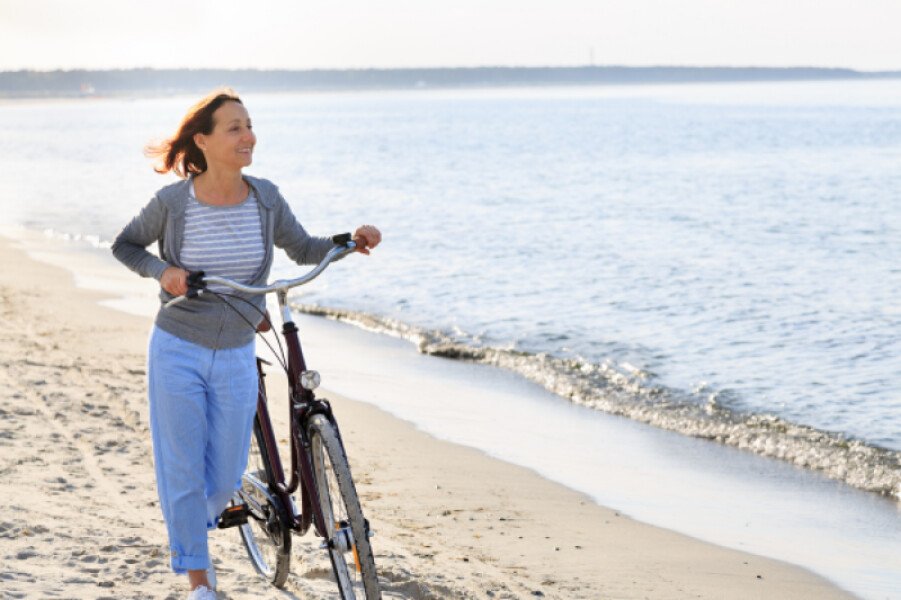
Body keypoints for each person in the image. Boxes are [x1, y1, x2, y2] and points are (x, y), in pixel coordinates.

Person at [111, 89, 381, 600]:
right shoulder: (173, 203)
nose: (247, 136)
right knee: (183, 465)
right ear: (204, 141)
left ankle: (200, 527)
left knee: (227, 470)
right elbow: (125, 245)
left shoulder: (266, 198)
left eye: (249, 125)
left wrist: (349, 241)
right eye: (234, 127)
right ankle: (199, 581)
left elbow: (303, 250)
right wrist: (163, 272)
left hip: (236, 348)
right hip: (178, 346)